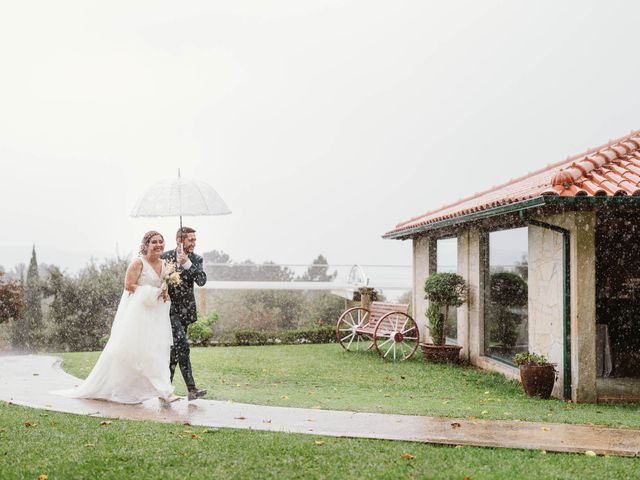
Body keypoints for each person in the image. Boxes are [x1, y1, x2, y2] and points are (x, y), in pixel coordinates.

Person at [53, 231, 178, 404]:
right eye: (154, 242)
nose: (158, 245)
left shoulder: (165, 264)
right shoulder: (138, 262)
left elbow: (162, 286)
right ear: (146, 245)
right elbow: (128, 286)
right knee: (129, 351)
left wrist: (164, 292)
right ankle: (118, 388)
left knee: (155, 351)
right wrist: (151, 292)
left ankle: (164, 391)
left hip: (156, 315)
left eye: (161, 242)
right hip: (138, 314)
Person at [162, 226, 208, 401]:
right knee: (183, 345)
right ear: (179, 240)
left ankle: (165, 390)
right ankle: (191, 388)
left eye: (195, 240)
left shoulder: (196, 259)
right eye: (191, 239)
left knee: (175, 352)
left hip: (186, 311)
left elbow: (202, 280)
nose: (194, 243)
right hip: (169, 310)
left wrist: (187, 264)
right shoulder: (165, 257)